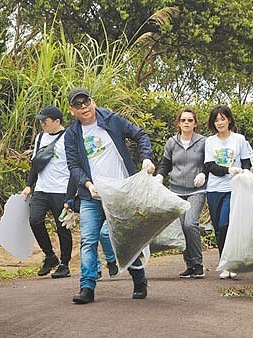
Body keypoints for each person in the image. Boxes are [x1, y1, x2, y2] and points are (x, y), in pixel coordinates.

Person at [64, 87, 155, 304]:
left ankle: (139, 278)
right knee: (88, 240)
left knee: (125, 239)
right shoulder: (72, 134)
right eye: (78, 105)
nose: (83, 107)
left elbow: (140, 135)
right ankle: (87, 287)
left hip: (121, 192)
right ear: (71, 110)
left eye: (86, 102)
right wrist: (87, 184)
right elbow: (73, 165)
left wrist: (146, 158)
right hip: (92, 196)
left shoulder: (112, 120)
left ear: (92, 102)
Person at [22, 105, 74, 279]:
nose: (42, 124)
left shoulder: (69, 137)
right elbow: (35, 164)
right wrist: (30, 185)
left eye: (45, 121)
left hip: (61, 190)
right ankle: (50, 256)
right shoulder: (40, 138)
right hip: (42, 189)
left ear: (57, 121)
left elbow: (75, 166)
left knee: (62, 228)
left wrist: (72, 193)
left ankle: (65, 264)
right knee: (35, 220)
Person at [155, 109, 207, 279]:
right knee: (182, 227)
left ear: (195, 123)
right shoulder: (171, 143)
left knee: (190, 224)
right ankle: (189, 265)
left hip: (196, 190)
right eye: (183, 120)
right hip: (176, 190)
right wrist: (159, 176)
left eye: (190, 120)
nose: (186, 123)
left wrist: (203, 173)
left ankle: (198, 264)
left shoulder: (203, 142)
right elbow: (165, 163)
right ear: (178, 123)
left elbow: (209, 162)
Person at [204, 105, 252, 279]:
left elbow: (247, 162)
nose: (219, 122)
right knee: (218, 228)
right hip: (214, 189)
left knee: (226, 224)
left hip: (234, 188)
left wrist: (245, 173)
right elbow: (210, 166)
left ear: (229, 120)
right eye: (216, 120)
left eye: (222, 119)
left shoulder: (239, 139)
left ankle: (232, 261)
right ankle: (225, 263)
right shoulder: (210, 142)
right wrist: (228, 170)